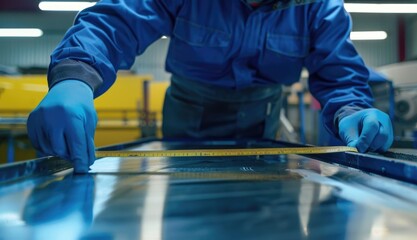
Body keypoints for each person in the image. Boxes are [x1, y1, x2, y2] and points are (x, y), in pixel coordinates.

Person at [27, 0, 393, 173]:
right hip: (187, 122)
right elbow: (115, 23)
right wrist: (75, 76)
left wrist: (353, 109)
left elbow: (338, 70)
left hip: (263, 124)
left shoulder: (317, 8)